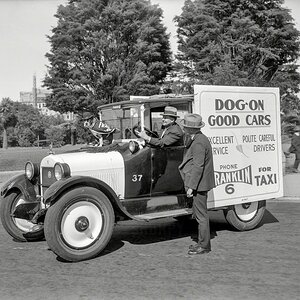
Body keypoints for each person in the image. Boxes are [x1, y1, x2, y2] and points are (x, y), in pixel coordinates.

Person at [178, 113, 215, 255]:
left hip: (199, 185)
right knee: (200, 215)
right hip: (201, 183)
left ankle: (204, 246)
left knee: (201, 216)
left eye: (186, 127)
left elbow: (198, 166)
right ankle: (201, 242)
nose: (184, 129)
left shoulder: (199, 142)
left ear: (190, 129)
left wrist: (191, 187)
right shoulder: (199, 138)